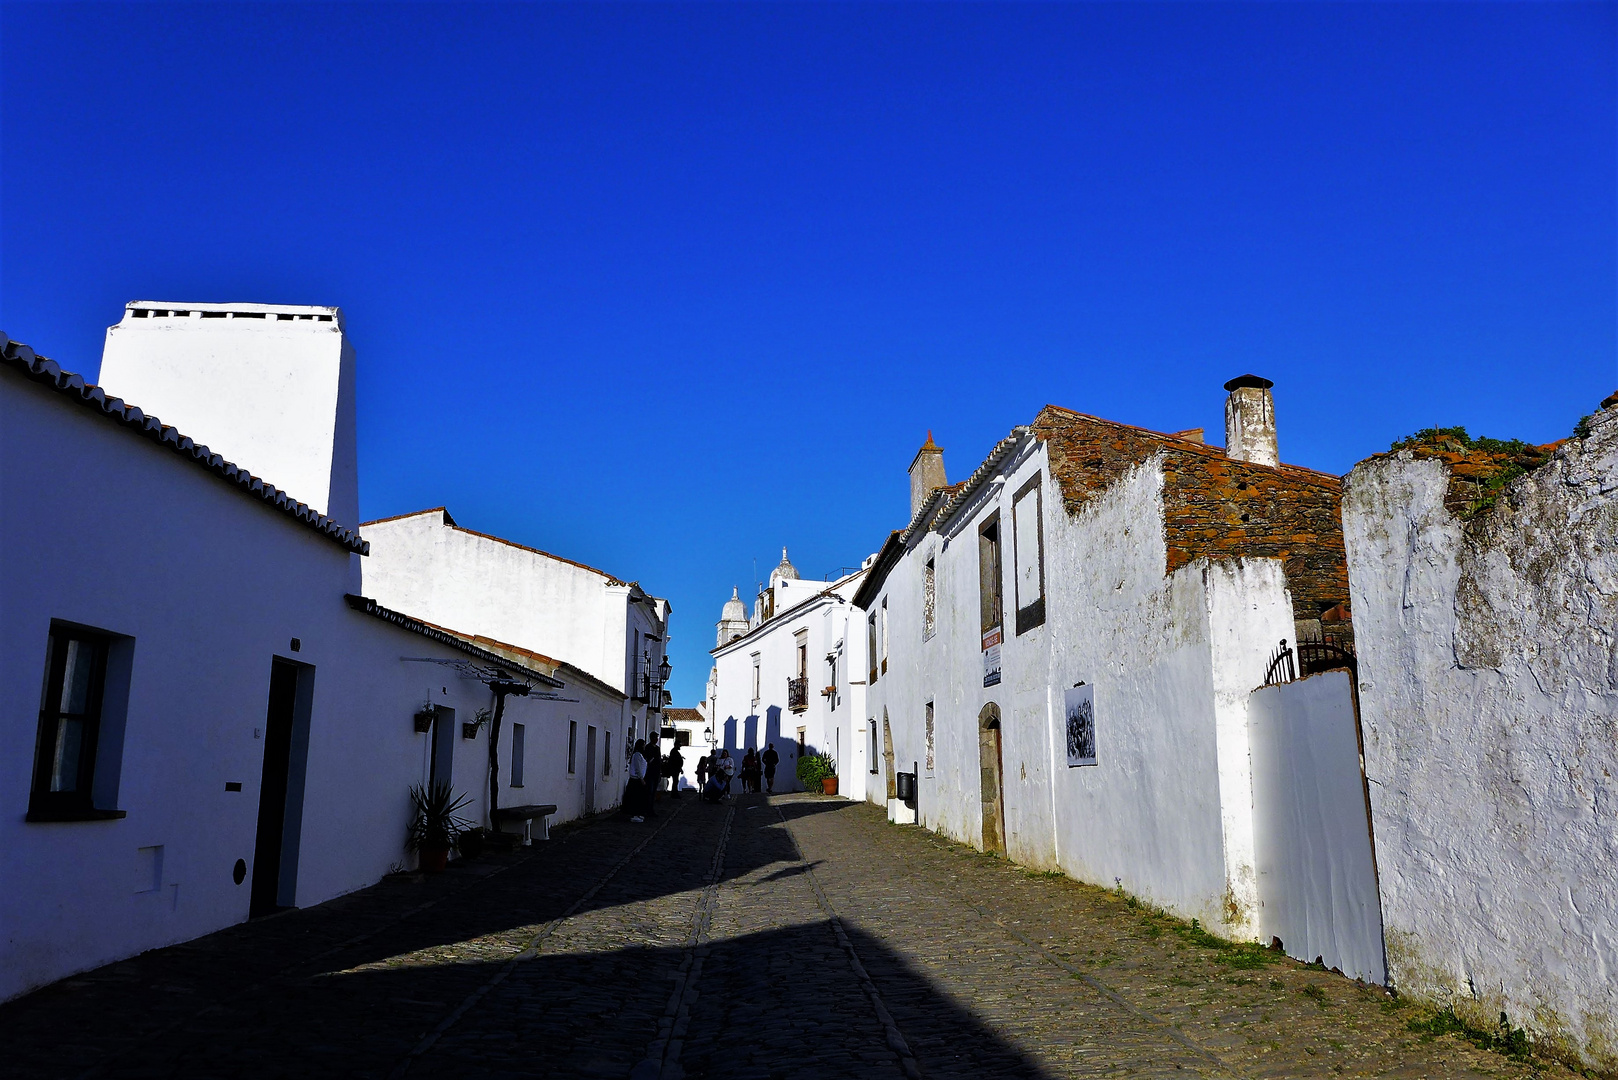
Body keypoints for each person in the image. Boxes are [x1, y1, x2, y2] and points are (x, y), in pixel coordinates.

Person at [626, 739, 648, 823]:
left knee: (639, 798)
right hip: (636, 780)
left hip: (637, 779)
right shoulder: (637, 755)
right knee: (635, 798)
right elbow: (638, 768)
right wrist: (641, 778)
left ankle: (638, 814)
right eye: (643, 745)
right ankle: (634, 815)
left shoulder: (639, 755)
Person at [643, 739, 662, 816]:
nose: (657, 739)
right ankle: (648, 808)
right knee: (649, 791)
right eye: (655, 738)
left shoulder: (657, 748)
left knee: (653, 791)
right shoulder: (648, 747)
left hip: (656, 772)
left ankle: (651, 809)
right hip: (650, 772)